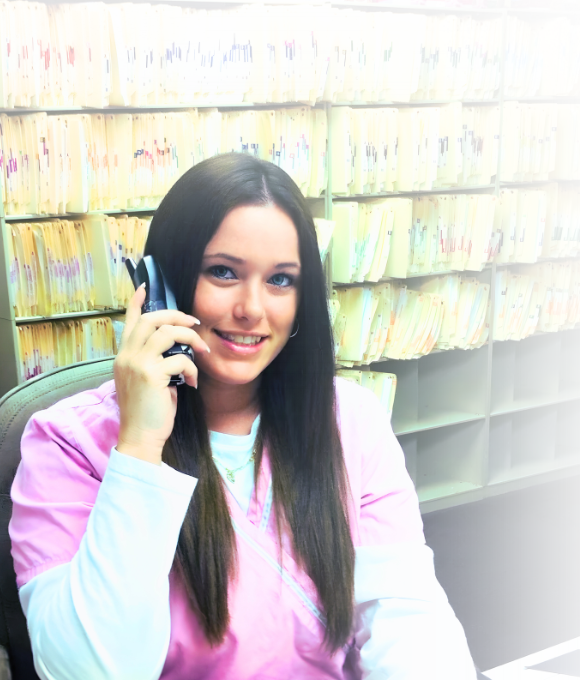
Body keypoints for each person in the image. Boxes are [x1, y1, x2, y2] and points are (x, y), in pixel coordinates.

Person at [9, 153, 478, 680]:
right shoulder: (67, 444)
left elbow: (408, 624)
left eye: (281, 280)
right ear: (161, 283)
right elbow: (87, 672)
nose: (253, 308)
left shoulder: (350, 421)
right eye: (223, 272)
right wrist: (140, 448)